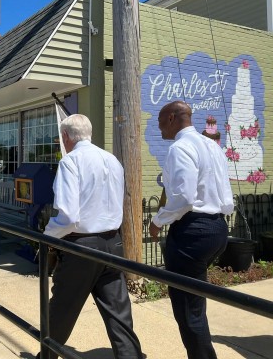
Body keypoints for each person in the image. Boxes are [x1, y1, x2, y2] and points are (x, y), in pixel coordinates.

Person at [37, 114, 143, 359]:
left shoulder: (70, 162)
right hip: (113, 243)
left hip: (82, 246)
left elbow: (68, 215)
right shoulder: (112, 160)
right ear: (90, 133)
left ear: (65, 136)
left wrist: (47, 235)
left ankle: (46, 356)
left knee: (62, 309)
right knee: (118, 312)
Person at [149, 101, 234, 359]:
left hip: (192, 232)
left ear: (173, 118)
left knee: (188, 310)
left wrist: (158, 220)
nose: (159, 126)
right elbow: (223, 192)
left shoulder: (180, 147)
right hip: (218, 227)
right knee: (195, 302)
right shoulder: (211, 145)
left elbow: (183, 198)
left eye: (161, 120)